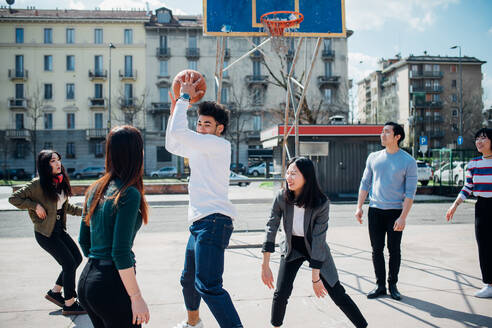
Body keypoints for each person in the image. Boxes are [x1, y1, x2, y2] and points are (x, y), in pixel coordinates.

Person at [165, 72, 243, 328]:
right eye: (199, 123)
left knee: (208, 286)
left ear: (219, 129)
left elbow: (180, 132)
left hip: (213, 222)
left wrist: (183, 98)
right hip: (200, 224)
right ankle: (193, 323)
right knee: (188, 280)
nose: (200, 127)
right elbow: (172, 144)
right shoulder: (200, 146)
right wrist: (174, 108)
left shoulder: (218, 145)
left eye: (206, 124)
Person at [261, 157, 367, 328]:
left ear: (307, 177)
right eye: (287, 173)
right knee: (281, 293)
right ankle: (276, 325)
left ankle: (362, 325)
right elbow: (271, 227)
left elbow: (319, 239)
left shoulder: (321, 203)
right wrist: (265, 264)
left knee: (336, 291)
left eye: (294, 173)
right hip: (291, 247)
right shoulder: (281, 197)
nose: (289, 177)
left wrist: (315, 277)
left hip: (314, 247)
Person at [77, 126, 150, 327]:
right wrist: (136, 297)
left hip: (88, 280)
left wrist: (99, 263)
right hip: (111, 285)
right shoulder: (129, 193)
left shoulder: (95, 188)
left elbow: (84, 241)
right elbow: (120, 251)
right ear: (136, 154)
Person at [9, 150, 86, 315]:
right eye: (53, 161)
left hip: (58, 229)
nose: (58, 163)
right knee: (68, 263)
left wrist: (86, 212)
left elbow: (66, 208)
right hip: (45, 233)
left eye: (58, 160)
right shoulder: (37, 184)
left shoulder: (60, 181)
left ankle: (55, 292)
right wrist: (34, 206)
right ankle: (70, 303)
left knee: (77, 258)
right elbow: (14, 199)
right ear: (45, 164)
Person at [355, 122, 418, 300]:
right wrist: (359, 206)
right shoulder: (373, 157)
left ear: (397, 136)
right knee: (376, 250)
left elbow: (410, 192)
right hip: (375, 211)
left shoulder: (408, 161)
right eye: (382, 132)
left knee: (394, 250)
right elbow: (365, 183)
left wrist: (403, 217)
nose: (382, 135)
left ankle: (393, 285)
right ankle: (380, 285)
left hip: (395, 212)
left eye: (386, 132)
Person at [446, 127, 492, 298]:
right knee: (485, 246)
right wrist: (454, 205)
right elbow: (467, 188)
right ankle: (489, 284)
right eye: (477, 138)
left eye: (484, 138)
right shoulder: (473, 164)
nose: (479, 142)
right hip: (482, 207)